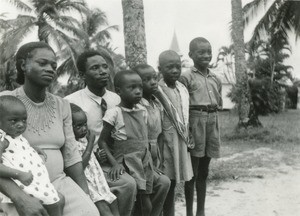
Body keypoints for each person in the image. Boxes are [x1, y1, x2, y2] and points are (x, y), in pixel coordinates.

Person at [0, 41, 99, 216]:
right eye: (42, 63)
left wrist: (85, 194)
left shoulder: (62, 105)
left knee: (89, 213)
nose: (50, 69)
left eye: (54, 65)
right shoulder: (5, 102)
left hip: (58, 182)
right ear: (23, 65)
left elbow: (71, 155)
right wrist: (19, 197)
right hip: (17, 184)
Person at [65, 50, 137, 216]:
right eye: (95, 68)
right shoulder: (71, 102)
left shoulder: (118, 99)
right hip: (89, 161)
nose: (103, 71)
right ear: (83, 75)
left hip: (118, 156)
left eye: (105, 66)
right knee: (127, 184)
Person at [99, 70, 169, 216]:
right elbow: (102, 142)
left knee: (163, 182)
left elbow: (142, 140)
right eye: (132, 88)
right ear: (119, 91)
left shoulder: (142, 111)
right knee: (145, 204)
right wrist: (115, 164)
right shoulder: (114, 113)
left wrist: (150, 163)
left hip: (143, 161)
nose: (138, 92)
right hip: (126, 162)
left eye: (140, 88)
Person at [0, 95, 65, 216]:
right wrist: (19, 174)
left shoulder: (15, 136)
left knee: (59, 201)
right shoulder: (2, 140)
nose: (21, 125)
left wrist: (33, 149)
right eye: (14, 120)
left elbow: (18, 148)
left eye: (24, 120)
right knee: (56, 203)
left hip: (36, 183)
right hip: (22, 186)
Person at [180, 37, 222, 216]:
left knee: (204, 170)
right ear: (191, 55)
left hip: (212, 121)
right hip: (195, 121)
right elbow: (181, 105)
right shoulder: (186, 77)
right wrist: (188, 129)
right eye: (201, 52)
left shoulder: (215, 78)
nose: (206, 55)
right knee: (192, 172)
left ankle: (201, 211)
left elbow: (218, 101)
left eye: (209, 52)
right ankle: (189, 211)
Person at [155, 50, 193, 216]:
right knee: (166, 181)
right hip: (165, 142)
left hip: (180, 140)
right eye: (169, 67)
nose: (175, 71)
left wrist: (188, 134)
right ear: (160, 69)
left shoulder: (182, 89)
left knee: (174, 181)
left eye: (178, 67)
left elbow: (185, 115)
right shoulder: (157, 90)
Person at [133, 64, 171, 215]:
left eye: (154, 78)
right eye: (147, 79)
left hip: (155, 151)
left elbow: (160, 134)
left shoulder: (157, 103)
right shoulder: (137, 106)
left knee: (160, 184)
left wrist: (160, 159)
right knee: (145, 193)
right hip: (143, 154)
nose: (153, 82)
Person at [70, 103, 119, 216]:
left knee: (113, 201)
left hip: (98, 179)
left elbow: (89, 157)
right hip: (88, 183)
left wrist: (97, 156)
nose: (84, 129)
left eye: (85, 124)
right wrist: (91, 143)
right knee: (103, 208)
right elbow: (80, 166)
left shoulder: (83, 139)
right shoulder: (72, 144)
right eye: (79, 126)